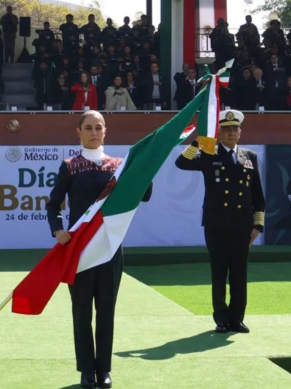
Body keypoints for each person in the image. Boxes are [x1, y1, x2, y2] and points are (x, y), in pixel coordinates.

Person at [47, 111, 152, 389]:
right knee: (81, 311)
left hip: (110, 250)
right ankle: (86, 372)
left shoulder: (119, 165)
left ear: (105, 131)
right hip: (78, 252)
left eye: (99, 127)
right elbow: (53, 204)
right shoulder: (70, 166)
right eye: (88, 127)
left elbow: (145, 193)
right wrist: (58, 230)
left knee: (106, 311)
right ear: (78, 132)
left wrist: (145, 166)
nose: (94, 132)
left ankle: (104, 370)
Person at [174, 110, 265, 334]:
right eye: (227, 129)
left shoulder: (249, 156)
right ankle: (221, 318)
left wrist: (258, 225)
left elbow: (257, 194)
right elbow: (181, 162)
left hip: (242, 225)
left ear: (240, 132)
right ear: (219, 133)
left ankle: (237, 318)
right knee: (219, 272)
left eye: (235, 129)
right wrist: (198, 141)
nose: (232, 133)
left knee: (239, 273)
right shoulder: (209, 152)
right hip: (216, 223)